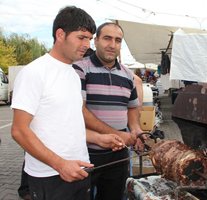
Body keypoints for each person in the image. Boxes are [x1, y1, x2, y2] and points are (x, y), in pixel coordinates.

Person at [11, 6, 124, 200]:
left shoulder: (73, 74)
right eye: (81, 37)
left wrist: (98, 138)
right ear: (60, 34)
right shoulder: (34, 72)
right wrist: (60, 164)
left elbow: (70, 124)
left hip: (80, 169)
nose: (87, 44)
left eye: (89, 38)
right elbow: (19, 130)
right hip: (50, 175)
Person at [72, 22, 143, 200]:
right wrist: (116, 134)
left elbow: (132, 107)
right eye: (107, 38)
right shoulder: (80, 68)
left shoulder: (128, 75)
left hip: (118, 156)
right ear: (96, 41)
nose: (112, 45)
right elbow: (78, 110)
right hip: (86, 153)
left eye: (118, 40)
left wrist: (135, 129)